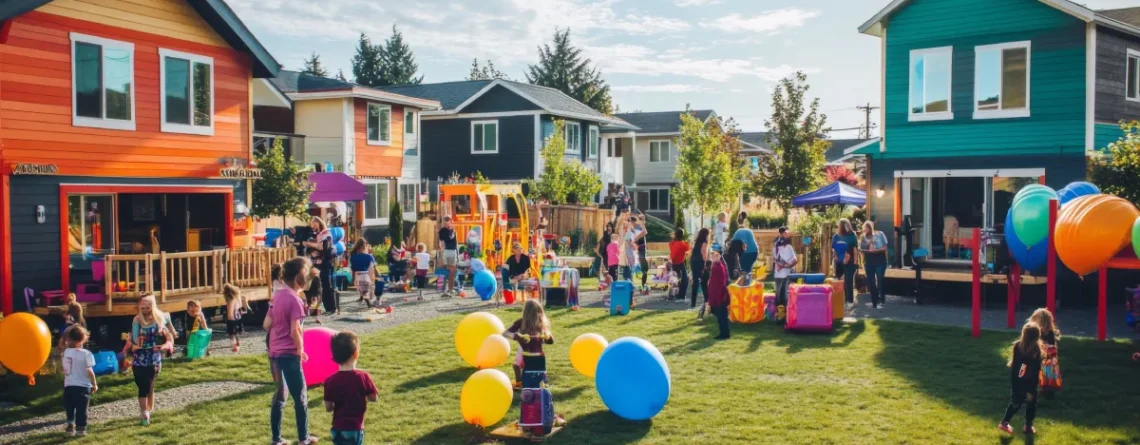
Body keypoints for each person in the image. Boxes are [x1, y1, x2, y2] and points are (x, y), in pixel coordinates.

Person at [264, 257, 319, 445]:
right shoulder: (294, 300)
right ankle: (304, 438)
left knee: (280, 397)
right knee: (300, 397)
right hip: (289, 354)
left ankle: (276, 439)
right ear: (298, 278)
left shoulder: (277, 295)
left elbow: (266, 324)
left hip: (274, 354)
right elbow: (295, 329)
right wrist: (300, 349)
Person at [323, 331, 378, 445]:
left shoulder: (330, 381)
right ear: (356, 353)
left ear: (334, 357)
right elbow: (373, 398)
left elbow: (328, 407)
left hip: (337, 428)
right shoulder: (363, 376)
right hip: (354, 427)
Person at [129, 294, 171, 426]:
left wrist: (164, 345)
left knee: (147, 386)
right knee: (142, 385)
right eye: (143, 305)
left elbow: (168, 336)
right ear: (139, 305)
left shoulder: (159, 318)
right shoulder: (137, 320)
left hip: (153, 358)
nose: (145, 308)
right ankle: (146, 410)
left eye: (148, 305)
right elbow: (135, 339)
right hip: (139, 358)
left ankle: (145, 412)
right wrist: (135, 343)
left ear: (152, 305)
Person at [999, 323, 1045, 435]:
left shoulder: (1018, 346)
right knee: (1031, 403)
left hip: (1017, 380)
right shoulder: (1036, 351)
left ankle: (1004, 422)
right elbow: (1034, 372)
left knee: (1016, 401)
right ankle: (1028, 426)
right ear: (1037, 336)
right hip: (1029, 382)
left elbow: (1015, 366)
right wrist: (1031, 388)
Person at [503, 299, 555, 388]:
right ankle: (519, 382)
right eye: (536, 312)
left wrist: (547, 336)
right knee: (517, 365)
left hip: (537, 351)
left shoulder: (541, 323)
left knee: (538, 366)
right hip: (523, 349)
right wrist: (516, 337)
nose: (538, 315)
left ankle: (543, 380)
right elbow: (505, 333)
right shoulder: (521, 322)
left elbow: (549, 338)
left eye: (539, 312)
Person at [62, 325, 98, 437]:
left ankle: (70, 425)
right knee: (82, 409)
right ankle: (80, 429)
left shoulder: (66, 353)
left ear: (69, 339)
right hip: (83, 386)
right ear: (83, 339)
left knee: (70, 407)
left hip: (69, 386)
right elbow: (89, 370)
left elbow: (65, 371)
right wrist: (94, 383)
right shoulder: (86, 354)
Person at [303, 217, 338, 315]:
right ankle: (327, 307)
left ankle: (331, 307)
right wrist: (313, 252)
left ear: (319, 223)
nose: (313, 226)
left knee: (327, 284)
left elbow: (322, 246)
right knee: (322, 284)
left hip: (327, 261)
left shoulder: (326, 233)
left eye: (314, 224)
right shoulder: (318, 234)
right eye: (312, 225)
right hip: (321, 262)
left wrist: (308, 244)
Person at [1030, 308, 1062, 399]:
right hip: (1045, 358)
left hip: (1047, 359)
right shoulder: (1045, 332)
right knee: (1044, 376)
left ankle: (1045, 391)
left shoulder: (1047, 333)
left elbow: (1050, 346)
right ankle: (1044, 391)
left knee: (1046, 376)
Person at [859, 221, 889, 309]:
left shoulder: (880, 234)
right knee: (871, 283)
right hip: (869, 262)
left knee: (880, 281)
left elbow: (885, 247)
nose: (866, 229)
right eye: (865, 228)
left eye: (867, 227)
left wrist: (876, 250)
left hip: (880, 261)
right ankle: (874, 302)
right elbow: (861, 249)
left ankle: (882, 300)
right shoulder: (863, 238)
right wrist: (865, 250)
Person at [832, 218, 858, 307]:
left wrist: (855, 263)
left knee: (848, 281)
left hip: (850, 262)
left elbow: (855, 250)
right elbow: (834, 250)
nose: (838, 226)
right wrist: (835, 258)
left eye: (839, 225)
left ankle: (850, 301)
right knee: (840, 281)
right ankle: (843, 300)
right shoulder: (836, 236)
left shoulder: (852, 235)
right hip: (839, 263)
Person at [707, 251, 731, 340]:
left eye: (714, 257)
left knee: (721, 315)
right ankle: (724, 333)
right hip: (717, 294)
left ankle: (724, 334)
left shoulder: (718, 267)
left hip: (719, 295)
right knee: (719, 314)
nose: (712, 259)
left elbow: (719, 282)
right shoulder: (716, 267)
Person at [773, 227, 798, 307]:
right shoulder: (783, 247)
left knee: (780, 296)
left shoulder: (776, 247)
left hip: (782, 274)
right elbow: (795, 260)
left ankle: (780, 315)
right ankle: (784, 314)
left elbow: (794, 260)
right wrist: (785, 266)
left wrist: (783, 266)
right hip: (784, 274)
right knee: (784, 296)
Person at [349, 240, 377, 308]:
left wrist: (353, 277)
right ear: (363, 247)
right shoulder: (369, 257)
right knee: (366, 290)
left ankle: (363, 298)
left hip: (357, 274)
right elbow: (373, 266)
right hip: (365, 275)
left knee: (362, 288)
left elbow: (353, 268)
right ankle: (369, 304)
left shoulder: (353, 256)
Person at [690, 228, 711, 312]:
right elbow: (703, 253)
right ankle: (707, 300)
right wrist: (706, 263)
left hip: (693, 261)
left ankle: (693, 302)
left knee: (696, 281)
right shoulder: (704, 242)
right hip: (700, 261)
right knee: (704, 281)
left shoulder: (697, 241)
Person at [438, 216, 459, 297]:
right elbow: (452, 238)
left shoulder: (441, 230)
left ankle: (446, 289)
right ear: (450, 221)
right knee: (452, 271)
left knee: (448, 270)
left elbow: (441, 243)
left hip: (446, 251)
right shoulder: (451, 230)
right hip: (451, 251)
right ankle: (450, 289)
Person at [669, 228, 690, 302]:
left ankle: (673, 295)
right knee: (684, 280)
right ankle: (681, 296)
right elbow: (688, 249)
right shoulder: (682, 244)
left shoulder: (671, 243)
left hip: (674, 264)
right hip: (680, 264)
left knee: (675, 280)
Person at [223, 284, 244, 353]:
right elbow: (240, 308)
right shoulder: (238, 297)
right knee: (237, 331)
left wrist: (229, 321)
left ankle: (234, 346)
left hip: (232, 318)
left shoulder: (231, 300)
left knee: (232, 333)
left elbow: (230, 313)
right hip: (238, 317)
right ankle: (238, 343)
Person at [633, 214, 650, 293]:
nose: (643, 221)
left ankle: (644, 284)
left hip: (642, 249)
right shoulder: (638, 227)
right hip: (641, 249)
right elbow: (644, 232)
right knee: (645, 269)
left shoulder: (639, 227)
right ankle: (643, 285)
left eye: (643, 219)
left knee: (645, 269)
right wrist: (636, 239)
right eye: (641, 219)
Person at [596, 222, 615, 289]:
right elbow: (598, 246)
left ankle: (611, 284)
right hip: (606, 255)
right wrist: (600, 255)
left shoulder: (614, 235)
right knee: (606, 270)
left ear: (612, 227)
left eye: (610, 226)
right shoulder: (605, 236)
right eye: (608, 226)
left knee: (612, 270)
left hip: (613, 255)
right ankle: (604, 284)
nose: (609, 228)